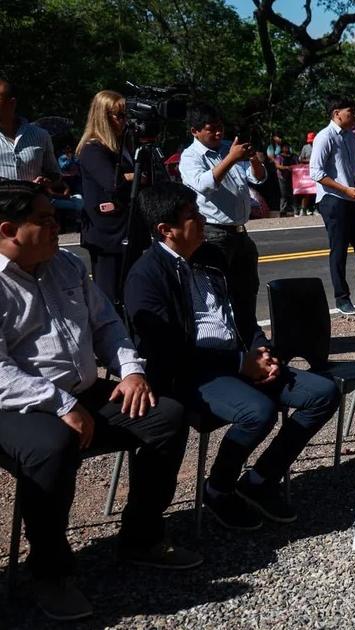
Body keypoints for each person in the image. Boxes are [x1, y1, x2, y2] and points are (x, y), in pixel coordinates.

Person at [0, 180, 200, 621]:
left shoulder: (66, 263)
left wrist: (130, 370)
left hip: (78, 389)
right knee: (51, 447)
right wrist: (60, 404)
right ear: (8, 229)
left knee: (164, 417)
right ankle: (50, 573)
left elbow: (107, 324)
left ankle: (141, 538)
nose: (58, 227)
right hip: (14, 404)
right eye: (46, 220)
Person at [123, 182, 337, 530]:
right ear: (166, 230)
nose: (203, 221)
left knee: (322, 394)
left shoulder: (212, 259)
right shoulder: (146, 276)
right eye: (192, 217)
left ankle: (258, 481)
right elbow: (166, 349)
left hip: (240, 359)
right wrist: (241, 364)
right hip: (194, 372)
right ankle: (219, 488)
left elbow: (243, 315)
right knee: (258, 412)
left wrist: (260, 349)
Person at [178, 103, 267, 333]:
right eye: (211, 129)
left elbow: (257, 179)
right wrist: (230, 159)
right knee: (216, 293)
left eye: (220, 128)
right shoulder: (190, 156)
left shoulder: (229, 147)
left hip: (240, 232)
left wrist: (254, 159)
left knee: (246, 289)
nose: (219, 133)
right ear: (195, 131)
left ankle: (249, 337)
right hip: (213, 233)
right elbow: (203, 185)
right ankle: (220, 340)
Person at [75, 90, 146, 304]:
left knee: (133, 293)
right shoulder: (92, 149)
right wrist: (138, 175)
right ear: (103, 116)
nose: (125, 121)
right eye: (119, 115)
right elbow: (111, 182)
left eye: (126, 115)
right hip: (108, 235)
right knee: (109, 298)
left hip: (129, 229)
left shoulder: (123, 145)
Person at [310, 95, 355, 315]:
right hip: (334, 199)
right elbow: (315, 172)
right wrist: (344, 189)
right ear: (337, 113)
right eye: (350, 111)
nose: (354, 116)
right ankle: (342, 298)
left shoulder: (353, 139)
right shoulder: (324, 137)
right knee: (339, 249)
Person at [0, 80, 61, 187]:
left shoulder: (40, 135)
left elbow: (55, 173)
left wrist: (46, 180)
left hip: (33, 200)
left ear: (12, 103)